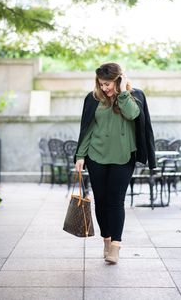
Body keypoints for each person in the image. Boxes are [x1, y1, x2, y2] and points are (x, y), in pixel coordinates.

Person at [74, 62, 156, 264]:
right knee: (100, 201)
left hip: (123, 157)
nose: (104, 88)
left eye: (108, 84)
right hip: (96, 156)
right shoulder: (93, 98)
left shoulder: (134, 96)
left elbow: (133, 114)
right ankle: (107, 239)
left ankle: (116, 247)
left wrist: (122, 92)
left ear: (119, 80)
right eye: (101, 84)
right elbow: (88, 128)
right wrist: (80, 156)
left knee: (116, 201)